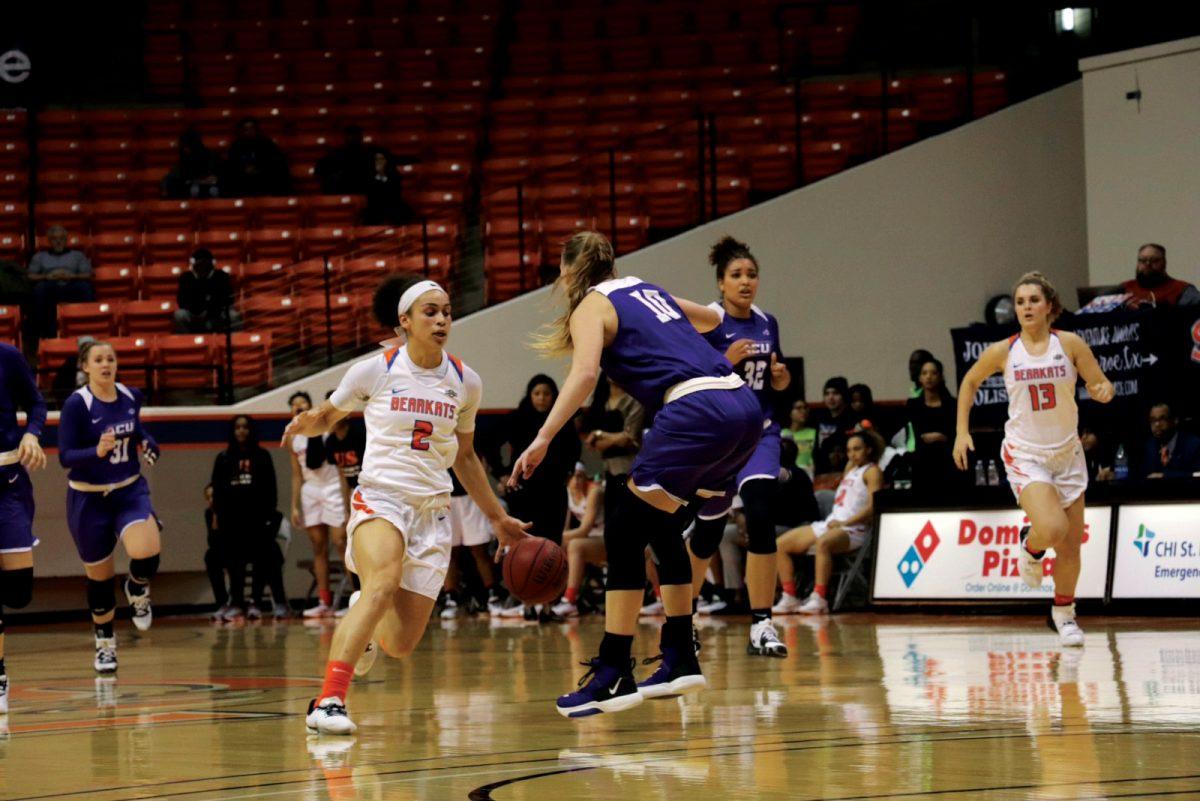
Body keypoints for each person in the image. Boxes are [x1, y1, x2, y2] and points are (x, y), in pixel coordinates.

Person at [508, 231, 762, 717]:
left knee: (623, 529)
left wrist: (542, 438)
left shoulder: (590, 305)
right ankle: (681, 656)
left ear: (569, 273)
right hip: (741, 406)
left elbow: (583, 376)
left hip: (695, 409)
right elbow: (712, 317)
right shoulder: (647, 288)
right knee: (660, 525)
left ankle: (613, 672)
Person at [285, 274, 528, 734]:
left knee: (398, 643)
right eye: (430, 312)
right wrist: (307, 423)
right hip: (381, 497)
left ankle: (364, 615)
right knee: (383, 582)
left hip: (432, 511)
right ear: (405, 321)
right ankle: (329, 701)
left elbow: (467, 457)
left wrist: (498, 518)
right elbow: (329, 415)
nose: (441, 320)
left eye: (447, 312)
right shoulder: (376, 370)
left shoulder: (465, 382)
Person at [953, 272, 1115, 647]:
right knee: (1053, 527)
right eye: (1021, 301)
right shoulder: (1004, 350)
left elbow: (1098, 382)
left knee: (1072, 546)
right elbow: (970, 382)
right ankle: (1031, 545)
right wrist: (963, 431)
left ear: (1050, 307)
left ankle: (1064, 614)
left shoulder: (1070, 344)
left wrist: (1103, 390)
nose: (1025, 306)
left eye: (1033, 300)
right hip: (1026, 453)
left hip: (1068, 453)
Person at [686, 235, 791, 658]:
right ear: (721, 284)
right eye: (736, 276)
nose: (745, 282)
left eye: (751, 275)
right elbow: (690, 374)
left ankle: (762, 623)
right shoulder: (706, 320)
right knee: (709, 531)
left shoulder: (768, 322)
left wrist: (781, 380)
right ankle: (684, 617)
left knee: (761, 514)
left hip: (760, 431)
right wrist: (723, 361)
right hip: (719, 437)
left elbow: (776, 377)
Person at [57, 340, 163, 672]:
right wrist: (96, 452)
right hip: (88, 498)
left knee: (147, 549)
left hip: (128, 490)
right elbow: (65, 456)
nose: (106, 364)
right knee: (100, 580)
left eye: (111, 359)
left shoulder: (131, 396)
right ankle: (105, 642)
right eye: (98, 359)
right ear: (85, 366)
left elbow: (139, 431)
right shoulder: (77, 405)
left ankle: (137, 586)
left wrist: (148, 443)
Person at [773, 429, 884, 615]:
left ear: (869, 450)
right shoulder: (851, 469)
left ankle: (819, 598)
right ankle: (790, 596)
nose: (852, 454)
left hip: (854, 529)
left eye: (857, 449)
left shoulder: (872, 472)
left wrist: (845, 522)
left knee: (822, 544)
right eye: (849, 450)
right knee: (779, 545)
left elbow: (873, 507)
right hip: (833, 524)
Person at [0, 342, 47, 713]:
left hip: (8, 482)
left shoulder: (7, 356)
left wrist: (31, 434)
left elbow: (36, 404)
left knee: (18, 594)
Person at [211, 414, 287, 621]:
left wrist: (269, 515)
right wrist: (219, 514)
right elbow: (217, 490)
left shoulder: (262, 456)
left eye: (245, 427)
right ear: (232, 431)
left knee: (261, 561)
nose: (241, 431)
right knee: (235, 563)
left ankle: (256, 601)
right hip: (232, 520)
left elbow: (271, 488)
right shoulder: (224, 457)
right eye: (237, 427)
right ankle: (236, 603)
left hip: (257, 519)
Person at [285, 391, 347, 618]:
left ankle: (356, 596)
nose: (299, 407)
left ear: (311, 407)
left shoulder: (327, 426)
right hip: (310, 490)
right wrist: (294, 505)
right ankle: (324, 600)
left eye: (303, 404)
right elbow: (295, 474)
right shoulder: (292, 436)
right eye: (295, 405)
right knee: (318, 547)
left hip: (332, 486)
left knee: (341, 542)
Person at [550, 465, 605, 618]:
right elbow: (565, 527)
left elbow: (584, 530)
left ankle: (569, 601)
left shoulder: (595, 491)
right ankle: (548, 598)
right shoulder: (566, 492)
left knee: (575, 545)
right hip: (591, 541)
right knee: (555, 549)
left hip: (607, 539)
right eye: (573, 476)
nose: (577, 480)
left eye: (581, 476)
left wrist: (553, 538)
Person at [28, 225, 94, 339]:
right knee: (39, 289)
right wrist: (46, 276)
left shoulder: (78, 255)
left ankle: (87, 324)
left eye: (61, 238)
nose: (58, 242)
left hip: (71, 284)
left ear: (66, 240)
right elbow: (30, 276)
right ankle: (44, 334)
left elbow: (88, 274)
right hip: (50, 286)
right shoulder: (39, 257)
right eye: (54, 239)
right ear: (49, 241)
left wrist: (73, 276)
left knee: (85, 287)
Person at [905, 357, 959, 491]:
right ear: (919, 378)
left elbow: (954, 434)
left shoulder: (952, 404)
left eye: (933, 373)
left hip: (947, 458)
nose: (929, 377)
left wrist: (943, 437)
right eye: (924, 373)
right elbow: (916, 434)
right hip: (922, 459)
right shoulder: (913, 404)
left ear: (940, 377)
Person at [174, 248, 240, 333]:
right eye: (199, 264)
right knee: (179, 315)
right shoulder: (186, 277)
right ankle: (184, 343)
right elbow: (181, 301)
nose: (202, 267)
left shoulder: (222, 276)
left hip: (217, 313)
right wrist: (197, 311)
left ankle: (235, 342)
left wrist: (209, 312)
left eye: (204, 264)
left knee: (233, 315)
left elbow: (228, 300)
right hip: (193, 313)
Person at [223, 117, 290, 197]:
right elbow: (231, 167)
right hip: (243, 183)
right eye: (246, 129)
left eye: (252, 128)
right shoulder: (236, 147)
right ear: (241, 131)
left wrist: (259, 169)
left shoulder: (268, 145)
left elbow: (276, 164)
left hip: (265, 181)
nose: (249, 131)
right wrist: (244, 170)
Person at [1120, 244, 1199, 308]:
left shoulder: (1182, 290)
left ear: (1164, 263)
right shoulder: (1124, 288)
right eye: (1143, 260)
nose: (1148, 264)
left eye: (1154, 260)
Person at [1140, 402, 1200, 479]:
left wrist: (1165, 476)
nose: (1157, 424)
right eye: (1153, 420)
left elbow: (1198, 474)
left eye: (1162, 419)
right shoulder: (1149, 446)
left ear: (1175, 420)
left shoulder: (1193, 444)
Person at [810, 376, 854, 472]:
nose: (830, 397)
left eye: (835, 393)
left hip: (844, 469)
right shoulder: (819, 418)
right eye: (827, 393)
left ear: (844, 396)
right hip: (821, 469)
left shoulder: (851, 419)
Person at [314, 125, 374, 195]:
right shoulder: (334, 155)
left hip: (366, 193)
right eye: (350, 135)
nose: (353, 138)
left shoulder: (370, 154)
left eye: (355, 135)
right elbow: (320, 172)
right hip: (341, 192)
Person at [162, 129, 221, 199]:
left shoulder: (212, 157)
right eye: (184, 147)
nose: (185, 149)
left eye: (186, 147)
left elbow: (219, 176)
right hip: (190, 189)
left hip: (210, 188)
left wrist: (212, 179)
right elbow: (176, 177)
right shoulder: (184, 160)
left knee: (212, 190)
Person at [202, 483, 233, 620]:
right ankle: (222, 603)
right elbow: (212, 542)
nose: (210, 500)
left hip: (237, 549)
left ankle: (237, 602)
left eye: (213, 496)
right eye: (207, 497)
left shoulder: (232, 509)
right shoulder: (209, 513)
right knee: (210, 557)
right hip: (221, 550)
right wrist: (215, 520)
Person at [362, 150, 414, 225]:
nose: (380, 163)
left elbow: (396, 192)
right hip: (375, 208)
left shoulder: (394, 175)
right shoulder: (368, 177)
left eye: (382, 160)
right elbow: (370, 194)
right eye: (377, 160)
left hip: (393, 206)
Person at [781, 399, 816, 476]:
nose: (803, 411)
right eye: (798, 408)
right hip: (787, 472)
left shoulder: (813, 432)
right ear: (790, 412)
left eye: (805, 408)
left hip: (808, 472)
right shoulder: (782, 433)